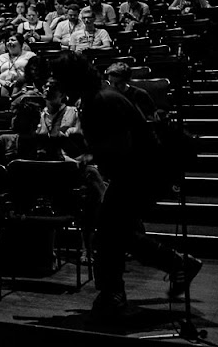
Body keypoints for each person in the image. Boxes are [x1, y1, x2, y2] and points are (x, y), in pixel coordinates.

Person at [47, 52, 197, 319]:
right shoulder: (96, 97)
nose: (57, 84)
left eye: (60, 78)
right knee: (117, 232)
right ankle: (176, 265)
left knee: (107, 233)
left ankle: (114, 294)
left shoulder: (102, 100)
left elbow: (122, 146)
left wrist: (86, 154)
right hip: (135, 172)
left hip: (141, 172)